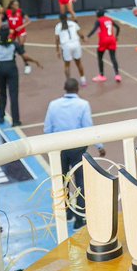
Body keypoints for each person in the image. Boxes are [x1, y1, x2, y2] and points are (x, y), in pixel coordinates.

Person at [43, 78, 105, 228]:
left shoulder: (53, 104)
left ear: (64, 88)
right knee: (81, 182)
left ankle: (66, 212)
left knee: (61, 180)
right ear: (77, 89)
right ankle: (79, 218)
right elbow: (88, 127)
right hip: (77, 148)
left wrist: (51, 147)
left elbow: (47, 129)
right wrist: (99, 145)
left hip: (60, 148)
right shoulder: (83, 104)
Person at [0, 26, 27, 126]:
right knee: (13, 94)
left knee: (2, 93)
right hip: (11, 68)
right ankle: (15, 121)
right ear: (8, 34)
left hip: (0, 69)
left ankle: (1, 116)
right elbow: (24, 56)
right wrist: (32, 62)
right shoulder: (13, 44)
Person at [87, 8, 121, 82]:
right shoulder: (109, 19)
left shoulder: (98, 21)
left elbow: (94, 29)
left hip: (104, 41)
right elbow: (118, 27)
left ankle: (101, 75)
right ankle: (117, 75)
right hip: (112, 39)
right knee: (113, 57)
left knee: (100, 57)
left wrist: (88, 36)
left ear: (97, 14)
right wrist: (116, 36)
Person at [54, 14, 87, 85]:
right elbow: (80, 33)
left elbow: (57, 39)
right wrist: (83, 38)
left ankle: (68, 82)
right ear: (67, 18)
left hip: (66, 46)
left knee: (67, 65)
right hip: (76, 44)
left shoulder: (58, 26)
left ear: (59, 19)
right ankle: (83, 80)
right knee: (78, 63)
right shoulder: (73, 23)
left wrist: (57, 50)